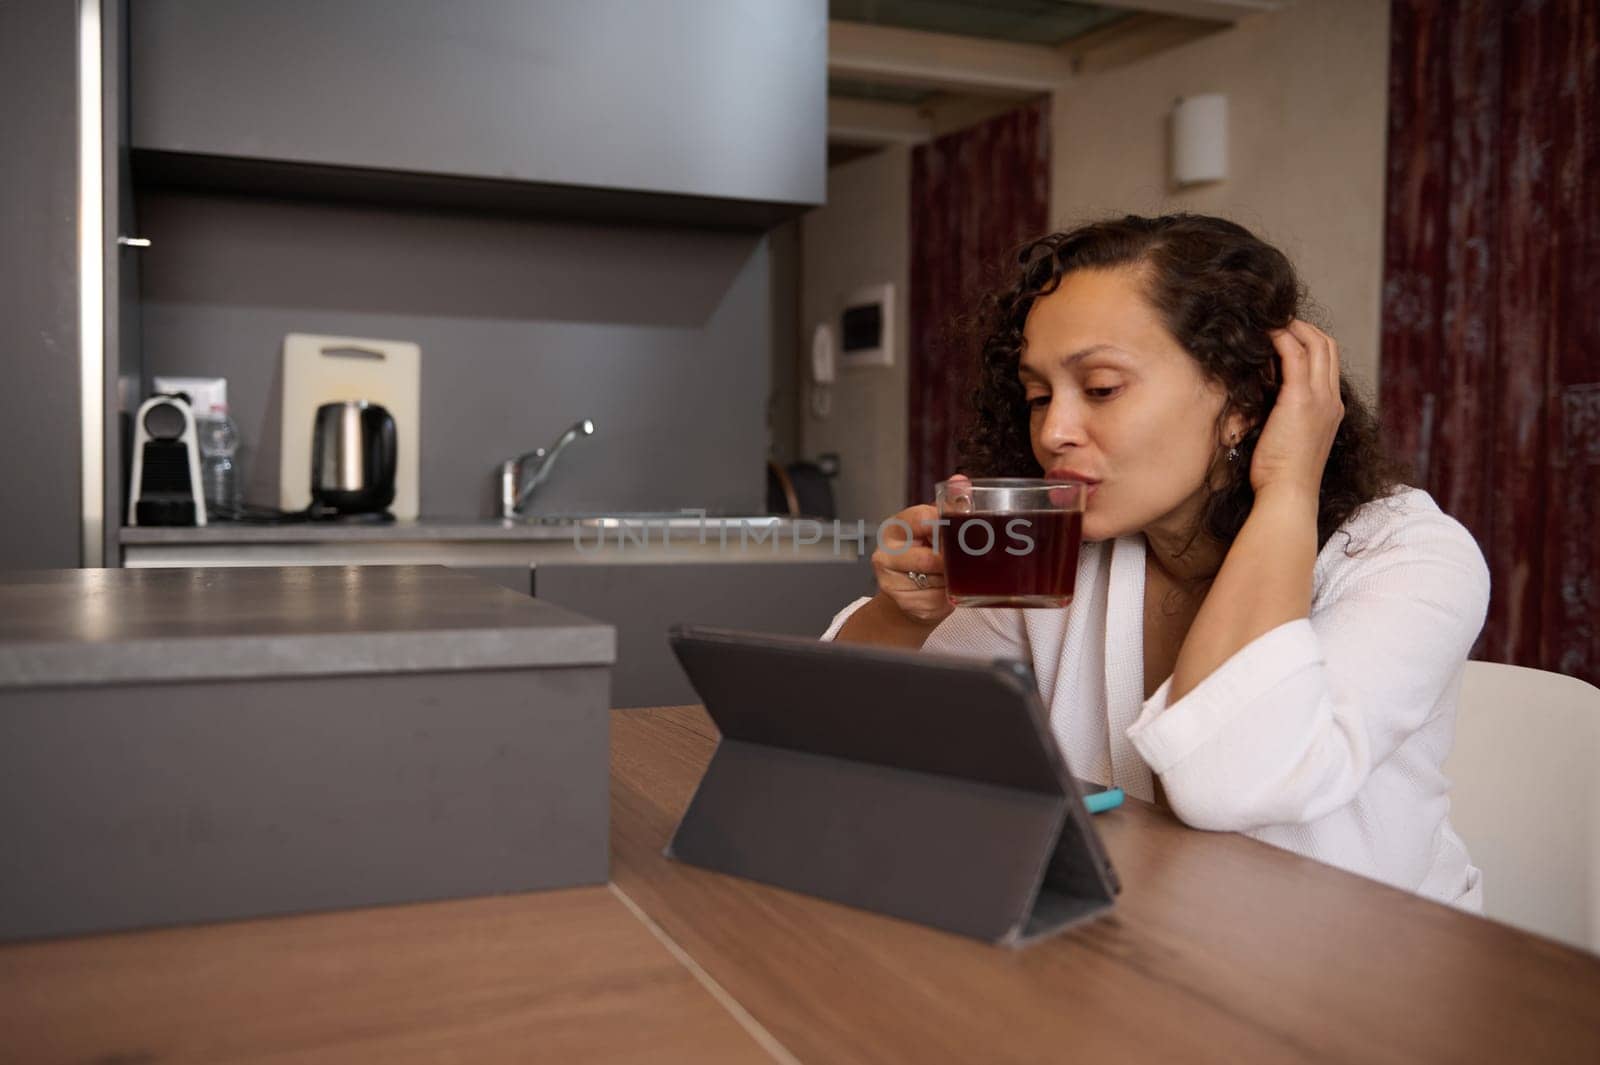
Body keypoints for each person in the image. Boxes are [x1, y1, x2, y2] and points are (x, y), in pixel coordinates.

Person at [827, 214, 1490, 909]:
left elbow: (1228, 778)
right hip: (1137, 952)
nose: (1053, 431)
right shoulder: (1059, 559)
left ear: (1242, 396)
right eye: (1038, 395)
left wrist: (1290, 485)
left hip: (1370, 980)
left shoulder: (1409, 555)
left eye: (1103, 387)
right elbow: (841, 725)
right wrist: (901, 615)